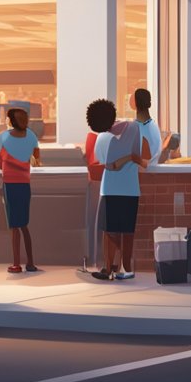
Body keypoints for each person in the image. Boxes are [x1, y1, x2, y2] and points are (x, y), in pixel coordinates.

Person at [89, 99, 150, 281]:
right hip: (131, 189)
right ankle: (127, 267)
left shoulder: (101, 138)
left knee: (109, 230)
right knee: (127, 231)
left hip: (109, 189)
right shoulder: (134, 128)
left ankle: (108, 268)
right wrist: (130, 158)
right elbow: (142, 156)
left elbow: (102, 162)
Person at [0, 107, 40, 274]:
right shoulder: (32, 136)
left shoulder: (2, 137)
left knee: (13, 226)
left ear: (10, 120)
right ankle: (31, 262)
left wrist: (5, 165)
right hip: (25, 183)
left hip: (9, 183)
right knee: (24, 225)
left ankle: (16, 263)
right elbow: (37, 158)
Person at [81, 107, 109, 272]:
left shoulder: (93, 138)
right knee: (99, 224)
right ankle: (97, 259)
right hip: (100, 183)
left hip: (95, 183)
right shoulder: (101, 138)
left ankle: (96, 259)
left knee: (95, 223)